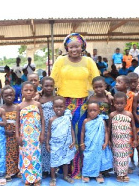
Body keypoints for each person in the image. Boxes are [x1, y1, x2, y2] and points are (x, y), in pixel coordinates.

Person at [50, 33, 100, 178]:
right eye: (71, 47)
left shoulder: (88, 61)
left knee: (78, 134)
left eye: (77, 46)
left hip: (82, 102)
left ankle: (76, 168)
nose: (74, 50)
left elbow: (96, 79)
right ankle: (61, 166)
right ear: (67, 47)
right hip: (63, 102)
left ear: (82, 47)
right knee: (62, 134)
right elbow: (53, 79)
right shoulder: (60, 60)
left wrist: (105, 93)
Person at [15, 82, 44, 186]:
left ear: (34, 92)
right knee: (26, 156)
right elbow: (17, 122)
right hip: (24, 137)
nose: (28, 92)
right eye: (25, 90)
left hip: (35, 136)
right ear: (22, 92)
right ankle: (27, 179)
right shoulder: (19, 106)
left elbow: (42, 120)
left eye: (31, 90)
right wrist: (17, 136)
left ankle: (36, 179)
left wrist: (42, 134)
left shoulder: (37, 105)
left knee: (36, 156)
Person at [46, 96, 76, 186]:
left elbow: (71, 129)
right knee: (53, 161)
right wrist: (47, 143)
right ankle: (53, 178)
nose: (59, 109)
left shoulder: (67, 118)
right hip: (55, 144)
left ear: (65, 107)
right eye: (56, 107)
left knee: (66, 161)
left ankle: (65, 176)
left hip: (66, 143)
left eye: (61, 106)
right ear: (53, 108)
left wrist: (73, 140)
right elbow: (49, 133)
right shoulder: (52, 120)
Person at [80, 102, 113, 183]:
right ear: (87, 112)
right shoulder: (85, 121)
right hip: (89, 145)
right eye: (90, 110)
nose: (92, 112)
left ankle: (98, 174)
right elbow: (82, 133)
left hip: (99, 145)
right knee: (88, 158)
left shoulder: (101, 121)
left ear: (99, 111)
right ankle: (86, 174)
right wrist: (82, 143)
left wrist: (105, 142)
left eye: (95, 110)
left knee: (99, 159)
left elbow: (105, 132)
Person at [109, 92, 137, 183]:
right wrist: (108, 140)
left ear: (126, 103)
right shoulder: (112, 115)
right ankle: (118, 173)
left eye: (122, 103)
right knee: (117, 157)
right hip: (116, 140)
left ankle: (124, 173)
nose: (119, 105)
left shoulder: (129, 114)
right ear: (113, 103)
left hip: (126, 140)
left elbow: (133, 127)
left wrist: (135, 139)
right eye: (117, 103)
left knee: (125, 157)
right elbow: (109, 128)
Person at [115, 75, 136, 172]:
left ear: (127, 84)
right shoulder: (116, 95)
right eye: (116, 82)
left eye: (119, 82)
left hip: (129, 124)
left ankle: (127, 163)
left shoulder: (133, 95)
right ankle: (119, 166)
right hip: (118, 124)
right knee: (119, 146)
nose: (116, 84)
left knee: (128, 144)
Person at [1, 86, 20, 181]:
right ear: (2, 97)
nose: (9, 97)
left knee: (17, 152)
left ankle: (18, 170)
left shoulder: (17, 107)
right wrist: (5, 131)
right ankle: (9, 171)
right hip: (5, 135)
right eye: (6, 95)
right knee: (7, 153)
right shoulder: (0, 109)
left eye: (11, 95)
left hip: (16, 134)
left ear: (14, 96)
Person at [38, 77, 55, 177]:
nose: (49, 88)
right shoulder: (39, 98)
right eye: (46, 86)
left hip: (53, 127)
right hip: (43, 126)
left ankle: (53, 169)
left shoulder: (56, 98)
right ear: (42, 86)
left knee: (52, 146)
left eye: (51, 86)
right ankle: (44, 169)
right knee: (44, 147)